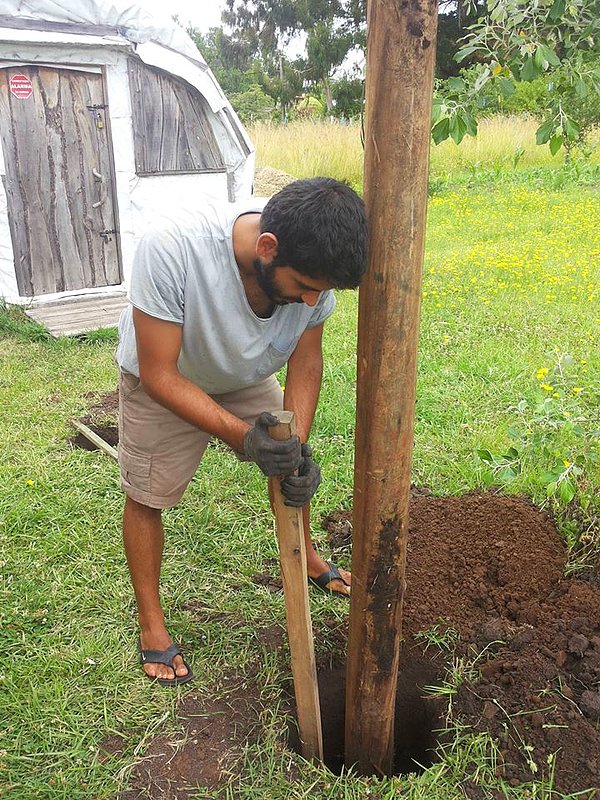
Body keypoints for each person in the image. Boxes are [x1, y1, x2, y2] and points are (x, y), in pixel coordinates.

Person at [115, 177, 368, 686]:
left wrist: (292, 446)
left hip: (246, 373)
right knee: (147, 496)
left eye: (322, 291)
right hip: (170, 376)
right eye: (303, 286)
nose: (312, 300)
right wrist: (243, 438)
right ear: (267, 249)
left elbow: (306, 362)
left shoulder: (310, 276)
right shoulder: (173, 248)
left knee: (289, 467)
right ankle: (152, 626)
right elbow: (160, 372)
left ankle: (309, 553)